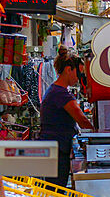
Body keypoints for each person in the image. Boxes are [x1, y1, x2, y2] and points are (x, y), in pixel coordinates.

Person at [39, 46, 93, 187]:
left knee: (55, 189)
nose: (79, 78)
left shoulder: (56, 90)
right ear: (69, 69)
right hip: (56, 150)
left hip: (55, 148)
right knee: (55, 190)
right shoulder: (60, 93)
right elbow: (82, 119)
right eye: (79, 73)